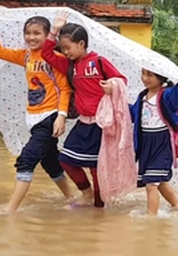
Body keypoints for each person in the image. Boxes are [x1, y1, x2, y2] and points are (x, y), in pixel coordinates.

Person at [0, 8, 74, 213]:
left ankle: (10, 210)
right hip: (33, 117)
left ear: (47, 34)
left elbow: (65, 89)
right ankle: (73, 199)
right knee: (50, 162)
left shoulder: (54, 58)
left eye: (37, 33)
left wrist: (61, 116)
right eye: (28, 33)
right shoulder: (25, 57)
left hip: (49, 117)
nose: (31, 37)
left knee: (27, 159)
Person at [41, 11, 126, 208]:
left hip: (101, 124)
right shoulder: (68, 65)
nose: (65, 52)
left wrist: (112, 86)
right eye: (62, 48)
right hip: (83, 123)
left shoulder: (99, 62)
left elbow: (121, 80)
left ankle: (98, 206)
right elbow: (46, 54)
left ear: (81, 44)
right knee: (66, 160)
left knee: (96, 167)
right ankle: (86, 193)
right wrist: (54, 30)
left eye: (68, 47)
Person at [129, 69, 178, 216]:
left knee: (151, 184)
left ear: (161, 77)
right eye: (143, 74)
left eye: (150, 75)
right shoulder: (142, 96)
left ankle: (151, 217)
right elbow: (133, 114)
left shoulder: (166, 94)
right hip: (145, 143)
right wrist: (115, 98)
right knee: (159, 180)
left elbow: (176, 97)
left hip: (163, 143)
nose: (145, 78)